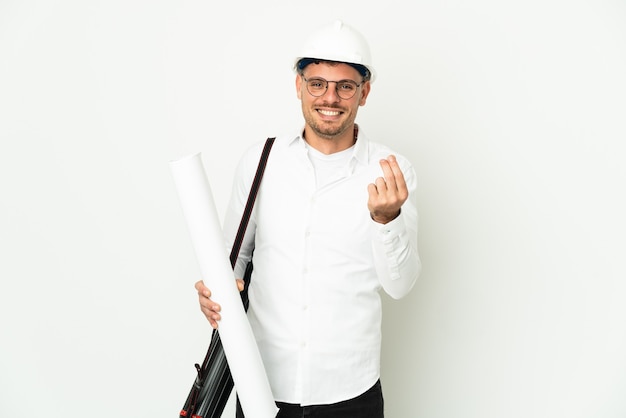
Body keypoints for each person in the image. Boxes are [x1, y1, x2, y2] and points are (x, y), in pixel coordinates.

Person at [195, 20, 421, 418]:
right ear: (299, 86)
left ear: (363, 93)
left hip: (350, 393)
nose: (329, 97)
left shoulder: (390, 170)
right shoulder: (260, 161)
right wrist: (213, 293)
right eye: (317, 83)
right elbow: (233, 262)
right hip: (261, 386)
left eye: (345, 86)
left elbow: (400, 286)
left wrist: (388, 220)